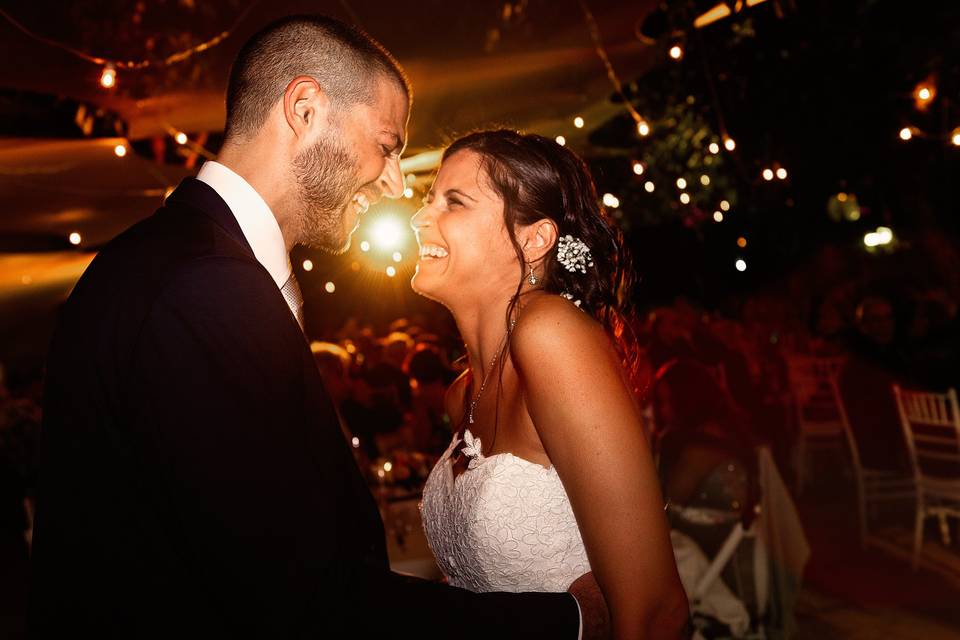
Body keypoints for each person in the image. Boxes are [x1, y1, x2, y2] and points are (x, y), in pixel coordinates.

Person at [30, 16, 603, 639]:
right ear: (304, 108)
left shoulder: (193, 263)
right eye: (387, 144)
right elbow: (299, 601)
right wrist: (568, 620)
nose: (392, 182)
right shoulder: (202, 286)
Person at [412, 130, 689, 640]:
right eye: (429, 199)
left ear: (533, 239)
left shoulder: (550, 334)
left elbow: (655, 612)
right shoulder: (461, 394)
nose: (419, 218)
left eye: (454, 201)